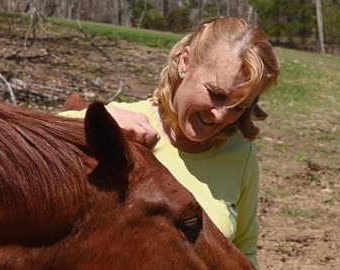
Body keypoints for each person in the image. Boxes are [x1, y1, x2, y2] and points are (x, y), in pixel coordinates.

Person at [60, 17, 280, 269]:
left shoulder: (240, 155)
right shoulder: (120, 129)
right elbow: (21, 152)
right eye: (216, 94)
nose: (220, 115)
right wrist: (81, 121)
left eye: (238, 107)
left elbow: (244, 248)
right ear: (185, 61)